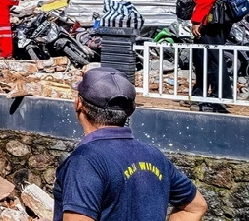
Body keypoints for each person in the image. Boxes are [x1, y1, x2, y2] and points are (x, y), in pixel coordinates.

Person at [54, 67, 207, 221]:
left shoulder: (85, 161)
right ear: (131, 110)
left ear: (78, 103)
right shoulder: (155, 155)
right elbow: (195, 207)